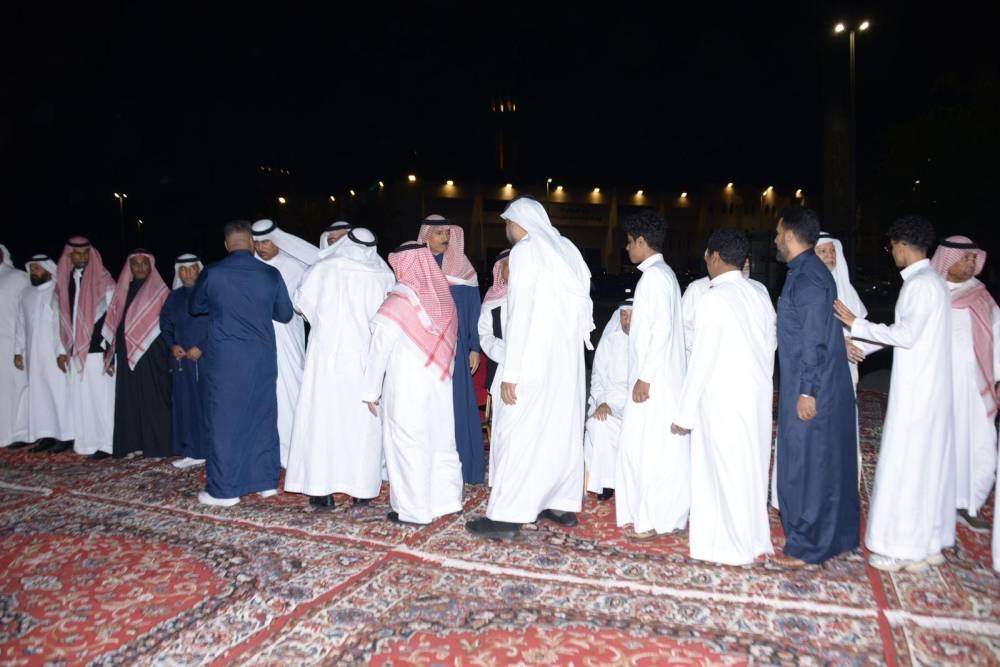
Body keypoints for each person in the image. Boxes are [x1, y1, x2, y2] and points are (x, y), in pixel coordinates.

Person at [466, 197, 594, 539]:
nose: (507, 229)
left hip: (533, 360)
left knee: (517, 433)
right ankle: (559, 503)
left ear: (517, 223)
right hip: (566, 363)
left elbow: (520, 314)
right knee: (559, 431)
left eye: (507, 223)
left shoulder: (525, 251)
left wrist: (511, 373)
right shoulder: (566, 248)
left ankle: (507, 517)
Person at [835, 215, 954, 572]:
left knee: (907, 468)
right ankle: (927, 544)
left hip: (918, 394)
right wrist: (860, 343)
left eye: (892, 247)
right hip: (928, 389)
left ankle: (903, 550)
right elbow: (904, 333)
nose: (893, 254)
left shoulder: (921, 285)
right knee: (924, 467)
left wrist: (856, 324)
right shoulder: (931, 282)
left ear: (902, 245)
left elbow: (905, 335)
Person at [670, 229, 776, 565]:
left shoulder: (712, 299)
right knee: (751, 467)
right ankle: (753, 538)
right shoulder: (758, 294)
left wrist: (683, 414)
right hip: (756, 394)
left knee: (724, 471)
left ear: (714, 256)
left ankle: (732, 547)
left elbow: (701, 361)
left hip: (723, 398)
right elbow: (770, 347)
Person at [285, 228, 395, 509]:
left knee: (324, 422)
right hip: (363, 360)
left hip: (326, 360)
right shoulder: (383, 273)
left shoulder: (323, 268)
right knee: (360, 425)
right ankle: (362, 489)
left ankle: (322, 491)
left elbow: (300, 305)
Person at [774, 206, 860, 567]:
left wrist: (807, 391)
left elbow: (813, 340)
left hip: (811, 385)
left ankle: (807, 545)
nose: (775, 239)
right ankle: (837, 537)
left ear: (790, 235)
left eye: (778, 233)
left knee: (806, 464)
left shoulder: (808, 278)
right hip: (817, 381)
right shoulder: (805, 271)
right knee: (825, 461)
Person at [190, 220, 293, 506]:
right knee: (262, 417)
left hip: (226, 360)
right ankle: (265, 481)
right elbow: (285, 314)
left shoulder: (213, 272)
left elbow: (195, 306)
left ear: (226, 244)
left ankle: (225, 491)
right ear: (251, 243)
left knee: (225, 421)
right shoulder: (270, 273)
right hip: (261, 359)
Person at [361, 241, 464, 525]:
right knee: (441, 442)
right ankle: (446, 501)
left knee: (407, 445)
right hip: (439, 386)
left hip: (407, 388)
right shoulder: (443, 301)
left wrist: (371, 390)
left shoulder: (399, 302)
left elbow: (379, 350)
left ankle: (413, 510)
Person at [614, 209, 690, 541]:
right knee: (652, 449)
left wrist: (645, 377)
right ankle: (661, 516)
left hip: (655, 382)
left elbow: (661, 331)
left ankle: (653, 519)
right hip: (659, 378)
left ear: (642, 241)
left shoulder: (655, 278)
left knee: (650, 451)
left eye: (630, 242)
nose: (627, 248)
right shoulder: (662, 274)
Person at [928, 235, 998, 532]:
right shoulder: (930, 292)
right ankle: (935, 501)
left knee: (980, 445)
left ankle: (969, 504)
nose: (970, 264)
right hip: (937, 384)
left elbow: (997, 337)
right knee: (938, 442)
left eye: (973, 259)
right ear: (948, 259)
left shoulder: (981, 296)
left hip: (974, 385)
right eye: (965, 258)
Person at [418, 215, 484, 484]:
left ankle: (464, 467)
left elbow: (474, 312)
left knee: (456, 405)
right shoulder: (418, 266)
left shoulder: (463, 270)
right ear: (426, 236)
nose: (445, 238)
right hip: (423, 349)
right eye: (439, 233)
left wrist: (474, 347)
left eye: (447, 233)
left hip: (455, 348)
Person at [250, 219, 319, 468]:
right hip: (255, 340)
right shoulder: (251, 267)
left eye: (266, 242)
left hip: (286, 340)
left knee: (288, 390)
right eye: (257, 243)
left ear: (278, 240)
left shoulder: (293, 267)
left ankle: (293, 450)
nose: (261, 248)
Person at [102, 250, 172, 458]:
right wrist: (111, 354)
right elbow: (115, 324)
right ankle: (133, 444)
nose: (140, 267)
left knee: (154, 399)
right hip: (126, 354)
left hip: (153, 354)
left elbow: (168, 324)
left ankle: (158, 446)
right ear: (129, 268)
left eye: (144, 263)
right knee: (130, 399)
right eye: (136, 264)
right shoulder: (123, 292)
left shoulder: (161, 292)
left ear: (151, 266)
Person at [55, 236, 117, 458]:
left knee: (101, 400)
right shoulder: (66, 281)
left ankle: (108, 444)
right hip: (75, 352)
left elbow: (114, 317)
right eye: (77, 254)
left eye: (85, 253)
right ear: (69, 256)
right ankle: (87, 443)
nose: (81, 257)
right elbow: (62, 318)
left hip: (97, 352)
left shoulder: (104, 280)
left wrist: (111, 354)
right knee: (81, 400)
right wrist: (62, 350)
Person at [13, 254, 73, 451]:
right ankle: (46, 434)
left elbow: (63, 324)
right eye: (32, 269)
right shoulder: (26, 294)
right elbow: (21, 323)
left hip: (54, 355)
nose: (33, 272)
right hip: (33, 355)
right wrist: (18, 351)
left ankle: (66, 435)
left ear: (48, 269)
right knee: (40, 396)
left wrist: (62, 351)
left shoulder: (58, 291)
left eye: (37, 268)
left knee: (59, 393)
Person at [159, 253, 209, 469]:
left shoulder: (210, 294)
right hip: (182, 361)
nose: (187, 274)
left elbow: (219, 323)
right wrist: (172, 345)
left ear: (199, 270)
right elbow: (165, 324)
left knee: (206, 404)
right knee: (185, 405)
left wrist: (202, 347)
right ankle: (192, 450)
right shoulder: (174, 297)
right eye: (183, 270)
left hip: (207, 360)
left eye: (192, 269)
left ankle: (209, 450)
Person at [583, 299, 631, 501]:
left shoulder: (646, 341)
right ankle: (606, 482)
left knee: (608, 425)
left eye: (631, 316)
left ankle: (609, 481)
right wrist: (602, 402)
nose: (627, 321)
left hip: (633, 403)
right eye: (623, 315)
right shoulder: (610, 340)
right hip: (607, 400)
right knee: (599, 423)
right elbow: (597, 377)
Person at [477, 249, 510, 486]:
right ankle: (501, 480)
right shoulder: (493, 300)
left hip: (533, 371)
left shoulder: (535, 295)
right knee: (503, 426)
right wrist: (508, 354)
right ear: (499, 270)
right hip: (502, 370)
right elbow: (485, 335)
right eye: (509, 265)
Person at [0, 243, 29, 448]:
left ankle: (18, 434)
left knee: (16, 387)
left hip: (12, 343)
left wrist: (20, 347)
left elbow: (25, 313)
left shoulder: (18, 277)